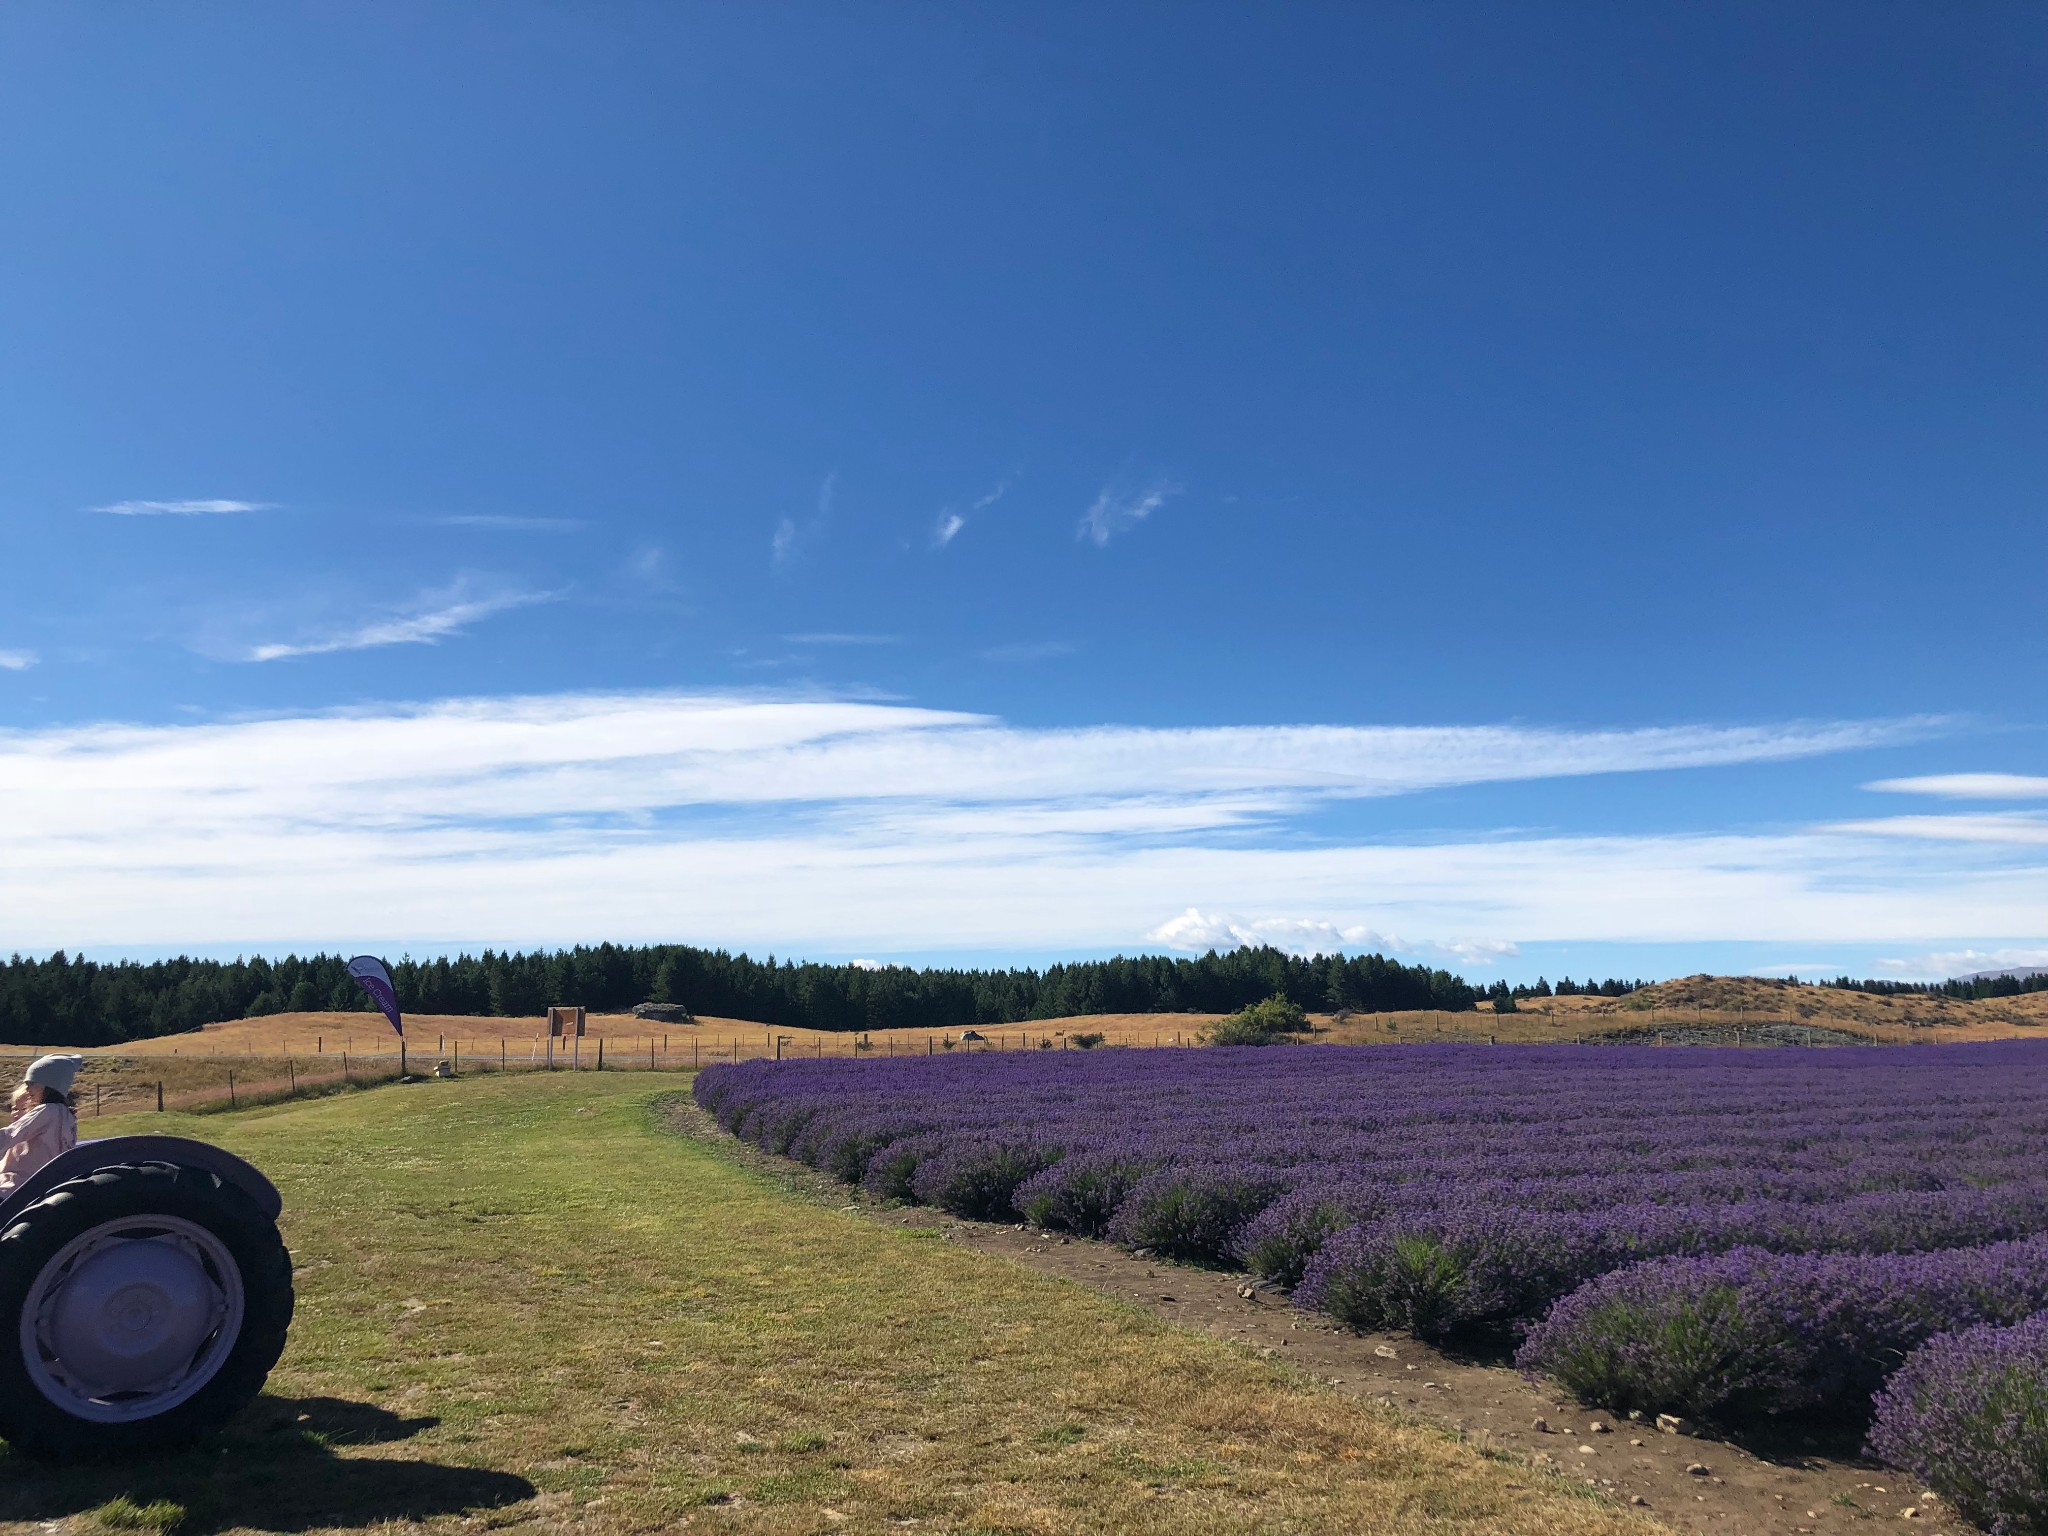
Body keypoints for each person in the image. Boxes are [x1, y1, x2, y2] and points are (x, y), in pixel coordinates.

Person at [0, 1054, 83, 1193]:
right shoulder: (68, 1118)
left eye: (31, 1083)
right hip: (39, 1188)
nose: (27, 1089)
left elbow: (11, 1134)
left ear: (50, 1085)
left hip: (13, 1188)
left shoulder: (46, 1111)